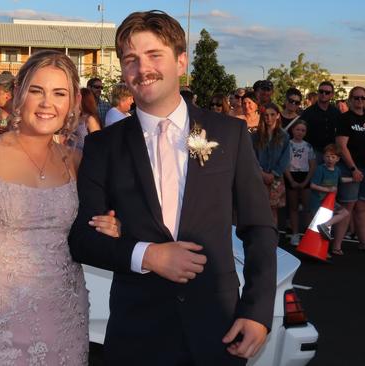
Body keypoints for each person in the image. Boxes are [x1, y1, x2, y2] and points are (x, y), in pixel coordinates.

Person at [69, 10, 277, 365]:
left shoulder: (229, 134)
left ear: (181, 61)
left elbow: (258, 226)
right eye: (131, 59)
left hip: (218, 326)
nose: (142, 68)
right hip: (137, 332)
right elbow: (82, 239)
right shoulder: (104, 146)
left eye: (154, 55)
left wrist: (257, 311)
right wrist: (148, 255)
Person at [0, 50, 122, 366]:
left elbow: (96, 230)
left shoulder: (77, 163)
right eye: (36, 91)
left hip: (66, 323)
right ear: (18, 95)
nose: (47, 103)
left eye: (59, 94)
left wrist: (113, 228)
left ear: (71, 104)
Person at [331, 86, 365, 256]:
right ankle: (337, 246)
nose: (359, 101)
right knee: (348, 206)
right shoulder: (344, 119)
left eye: (362, 98)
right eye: (356, 98)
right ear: (350, 99)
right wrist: (353, 168)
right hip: (350, 169)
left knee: (363, 207)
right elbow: (341, 146)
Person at [252, 102, 291, 223]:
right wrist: (261, 173)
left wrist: (273, 174)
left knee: (273, 209)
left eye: (272, 114)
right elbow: (251, 156)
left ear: (278, 116)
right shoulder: (255, 136)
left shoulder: (284, 136)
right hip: (259, 176)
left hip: (276, 178)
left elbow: (285, 158)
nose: (269, 118)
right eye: (266, 115)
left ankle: (272, 238)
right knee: (257, 208)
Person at [308, 144, 350, 249]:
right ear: (323, 157)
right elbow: (312, 185)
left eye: (333, 157)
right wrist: (327, 190)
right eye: (327, 156)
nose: (330, 159)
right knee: (317, 228)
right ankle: (316, 249)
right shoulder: (320, 169)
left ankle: (325, 226)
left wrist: (354, 179)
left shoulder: (337, 170)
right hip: (318, 202)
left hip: (329, 202)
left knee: (344, 212)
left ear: (337, 159)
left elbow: (341, 180)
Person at [284, 120, 316, 246]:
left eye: (303, 130)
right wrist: (291, 180)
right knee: (293, 207)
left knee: (307, 208)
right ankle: (295, 234)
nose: (300, 132)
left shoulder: (308, 146)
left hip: (304, 176)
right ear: (293, 130)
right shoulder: (287, 145)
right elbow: (285, 163)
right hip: (291, 175)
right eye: (298, 129)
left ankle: (309, 235)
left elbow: (312, 164)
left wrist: (306, 181)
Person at [300, 81, 341, 162]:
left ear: (332, 95)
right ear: (318, 93)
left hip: (331, 154)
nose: (324, 94)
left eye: (327, 92)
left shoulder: (336, 112)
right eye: (321, 91)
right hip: (313, 152)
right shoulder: (308, 112)